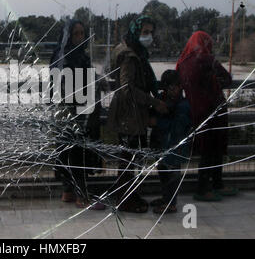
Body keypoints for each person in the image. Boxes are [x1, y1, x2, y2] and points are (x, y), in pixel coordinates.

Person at [106, 15, 168, 213]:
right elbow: (127, 88)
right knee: (128, 159)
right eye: (145, 32)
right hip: (129, 115)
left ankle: (128, 195)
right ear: (136, 31)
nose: (148, 36)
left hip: (130, 114)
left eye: (150, 32)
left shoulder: (133, 51)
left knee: (130, 157)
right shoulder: (130, 56)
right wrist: (153, 102)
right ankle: (125, 199)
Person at [50, 19, 105, 210]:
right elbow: (61, 85)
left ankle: (68, 191)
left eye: (82, 34)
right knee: (76, 153)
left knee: (69, 151)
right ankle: (82, 196)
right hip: (71, 113)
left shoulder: (77, 56)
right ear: (68, 36)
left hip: (74, 112)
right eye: (76, 34)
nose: (80, 37)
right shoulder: (65, 57)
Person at [176, 31, 238, 201]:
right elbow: (227, 79)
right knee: (214, 149)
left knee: (206, 149)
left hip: (195, 110)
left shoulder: (182, 62)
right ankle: (207, 187)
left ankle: (211, 186)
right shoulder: (207, 59)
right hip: (214, 109)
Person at [150, 70, 191, 214]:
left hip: (174, 146)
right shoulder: (162, 100)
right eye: (167, 88)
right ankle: (166, 198)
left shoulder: (183, 106)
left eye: (173, 88)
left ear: (180, 87)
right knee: (163, 173)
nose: (170, 91)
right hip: (162, 144)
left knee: (172, 175)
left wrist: (157, 122)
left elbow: (177, 128)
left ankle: (171, 203)